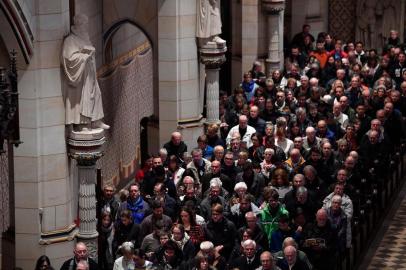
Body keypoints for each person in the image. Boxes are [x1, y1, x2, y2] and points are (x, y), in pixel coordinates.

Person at [61, 14, 108, 130]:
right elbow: (68, 58)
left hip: (90, 74)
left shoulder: (84, 37)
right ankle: (82, 124)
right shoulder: (70, 40)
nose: (87, 27)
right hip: (81, 76)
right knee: (83, 99)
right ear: (79, 25)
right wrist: (83, 56)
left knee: (97, 94)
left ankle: (96, 120)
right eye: (85, 25)